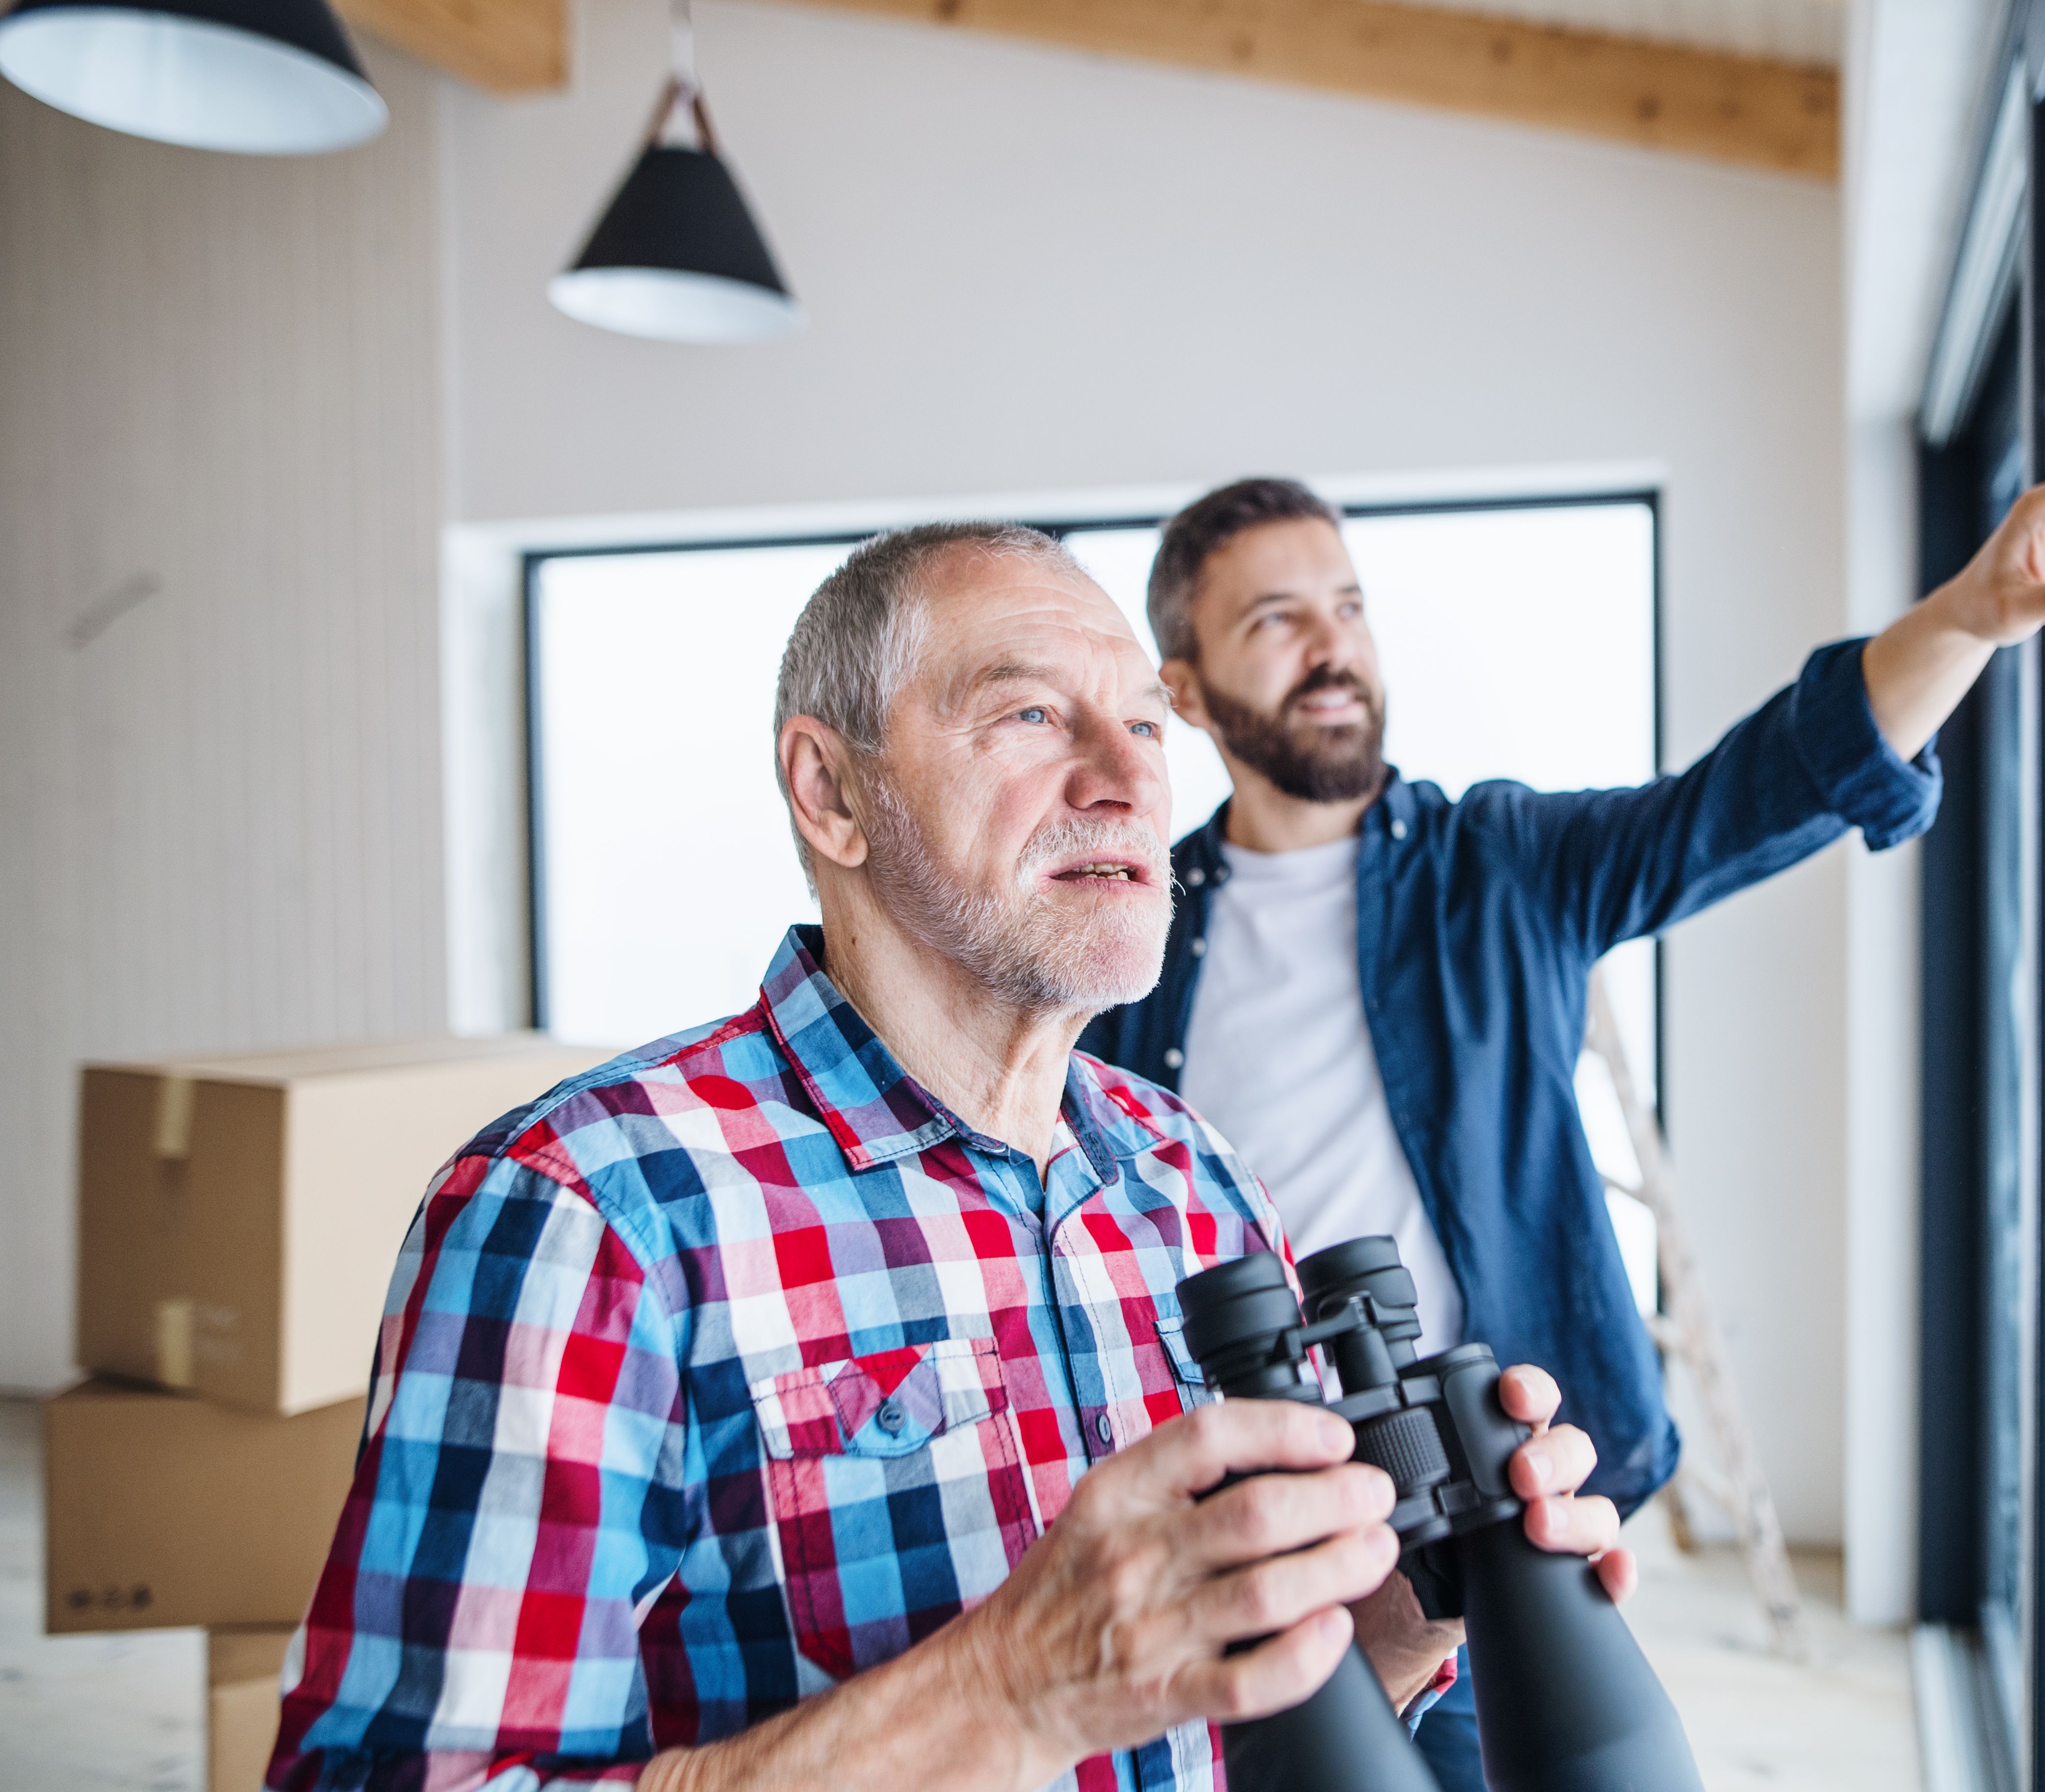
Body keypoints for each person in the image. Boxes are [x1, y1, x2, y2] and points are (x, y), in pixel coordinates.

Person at [267, 523, 1631, 1792]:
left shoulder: (1197, 1182)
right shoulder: (592, 1214)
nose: (1126, 777)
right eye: (1032, 714)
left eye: (1147, 726)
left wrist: (1400, 1625)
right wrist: (1009, 1688)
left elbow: (1230, 1745)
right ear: (831, 792)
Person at [1081, 427, 2045, 1786]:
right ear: (1184, 691)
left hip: (1495, 1495)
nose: (1334, 646)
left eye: (1349, 606)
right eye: (1276, 619)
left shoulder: (1498, 860)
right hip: (1248, 1513)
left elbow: (1748, 798)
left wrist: (1969, 616)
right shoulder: (1127, 939)